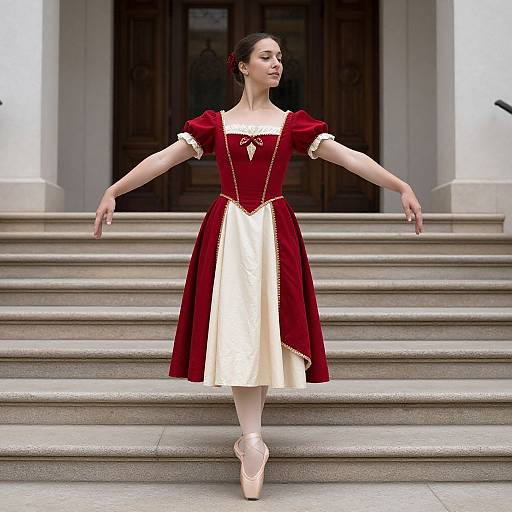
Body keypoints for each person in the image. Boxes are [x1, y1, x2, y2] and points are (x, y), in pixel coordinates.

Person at [93, 32, 423, 500]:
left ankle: (251, 437)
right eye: (266, 57)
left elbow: (349, 157)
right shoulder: (214, 124)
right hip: (229, 232)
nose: (277, 64)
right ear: (243, 66)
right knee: (241, 332)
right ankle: (252, 438)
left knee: (262, 331)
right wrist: (114, 191)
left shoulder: (293, 124)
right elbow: (163, 159)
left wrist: (400, 185)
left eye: (280, 58)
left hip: (271, 233)